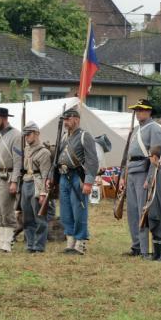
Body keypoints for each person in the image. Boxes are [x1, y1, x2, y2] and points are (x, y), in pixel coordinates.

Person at [120, 99, 161, 258]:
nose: (138, 112)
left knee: (142, 212)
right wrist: (124, 176)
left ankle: (145, 250)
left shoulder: (154, 129)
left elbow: (156, 156)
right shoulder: (136, 130)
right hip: (132, 172)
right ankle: (136, 246)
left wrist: (150, 177)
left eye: (141, 110)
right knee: (132, 212)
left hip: (143, 172)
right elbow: (128, 156)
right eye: (136, 110)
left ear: (149, 111)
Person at [51, 108, 98, 255]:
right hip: (64, 176)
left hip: (78, 177)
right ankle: (70, 241)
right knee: (65, 212)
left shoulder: (85, 136)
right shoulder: (64, 137)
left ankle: (80, 242)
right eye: (64, 119)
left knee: (79, 211)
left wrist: (89, 182)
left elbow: (92, 161)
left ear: (76, 119)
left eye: (68, 119)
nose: (65, 122)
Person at [0, 107, 22, 252]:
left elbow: (18, 160)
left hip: (7, 176)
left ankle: (8, 241)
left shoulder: (16, 135)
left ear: (4, 118)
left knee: (7, 209)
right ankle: (1, 240)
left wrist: (14, 181)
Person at [20, 121, 52, 253]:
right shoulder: (26, 149)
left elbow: (46, 175)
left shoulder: (44, 152)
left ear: (37, 133)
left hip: (37, 184)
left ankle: (39, 245)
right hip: (26, 182)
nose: (26, 137)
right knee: (27, 217)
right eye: (25, 134)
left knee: (39, 217)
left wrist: (43, 193)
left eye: (29, 134)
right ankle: (30, 244)